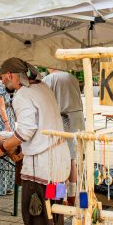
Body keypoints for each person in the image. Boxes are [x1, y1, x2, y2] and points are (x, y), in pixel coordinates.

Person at [0, 57, 70, 225]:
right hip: (59, 162)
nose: (4, 83)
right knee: (56, 204)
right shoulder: (43, 88)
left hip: (41, 165)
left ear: (11, 76)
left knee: (36, 210)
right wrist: (5, 138)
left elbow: (25, 131)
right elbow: (36, 127)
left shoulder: (23, 94)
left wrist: (1, 148)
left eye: (4, 79)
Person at [43, 69, 84, 200]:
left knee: (57, 159)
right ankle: (72, 194)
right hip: (77, 120)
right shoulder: (72, 77)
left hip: (61, 121)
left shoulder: (49, 79)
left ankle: (59, 195)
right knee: (73, 159)